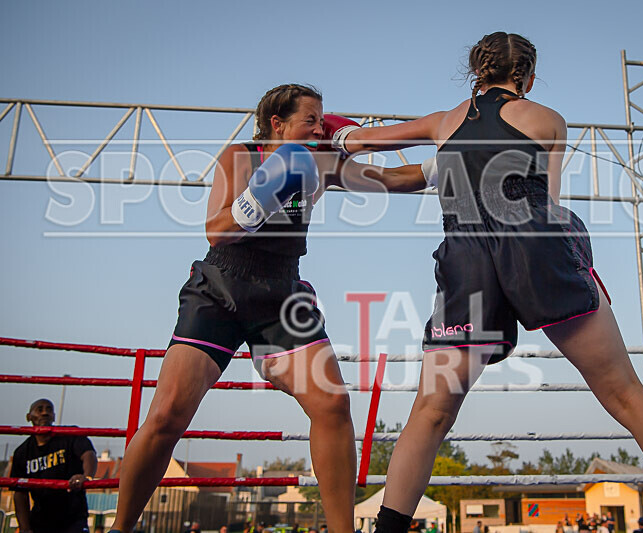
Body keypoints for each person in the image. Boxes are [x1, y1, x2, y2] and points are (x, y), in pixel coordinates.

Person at [331, 31, 643, 533]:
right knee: (626, 394)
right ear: (525, 77)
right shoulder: (548, 119)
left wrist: (328, 139)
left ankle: (389, 527)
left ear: (475, 73)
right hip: (534, 247)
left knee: (432, 408)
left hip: (468, 259)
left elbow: (359, 143)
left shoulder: (442, 123)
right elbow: (547, 199)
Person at [107, 84, 427, 533]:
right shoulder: (240, 156)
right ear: (277, 123)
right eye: (310, 120)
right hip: (221, 285)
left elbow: (396, 179)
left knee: (332, 404)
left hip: (282, 291)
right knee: (166, 416)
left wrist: (448, 162)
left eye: (322, 120)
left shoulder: (319, 162)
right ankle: (120, 527)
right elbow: (216, 230)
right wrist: (262, 196)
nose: (321, 128)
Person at [10, 398, 98, 533]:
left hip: (73, 517)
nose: (45, 413)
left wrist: (87, 476)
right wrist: (25, 528)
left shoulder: (69, 435)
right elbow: (20, 493)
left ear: (54, 416)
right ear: (29, 417)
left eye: (49, 409)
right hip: (41, 520)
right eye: (39, 410)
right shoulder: (22, 452)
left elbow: (89, 454)